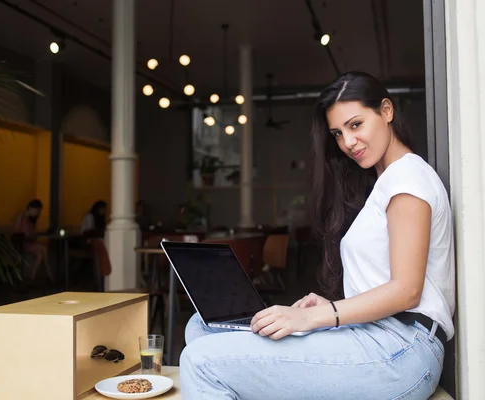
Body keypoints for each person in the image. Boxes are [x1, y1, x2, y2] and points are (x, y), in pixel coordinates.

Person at [179, 72, 455, 399]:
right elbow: (385, 282)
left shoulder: (408, 179)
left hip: (401, 351)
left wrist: (312, 317)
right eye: (338, 133)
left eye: (356, 125)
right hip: (375, 335)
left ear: (386, 111)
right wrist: (331, 307)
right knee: (201, 326)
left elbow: (407, 291)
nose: (347, 142)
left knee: (200, 361)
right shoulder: (386, 182)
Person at [14, 199, 54, 281]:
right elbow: (15, 232)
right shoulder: (21, 217)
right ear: (30, 208)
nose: (36, 213)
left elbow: (33, 235)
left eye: (38, 211)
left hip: (29, 242)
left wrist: (38, 234)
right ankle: (49, 271)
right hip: (21, 243)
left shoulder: (32, 220)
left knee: (40, 254)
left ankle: (32, 276)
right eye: (35, 210)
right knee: (44, 247)